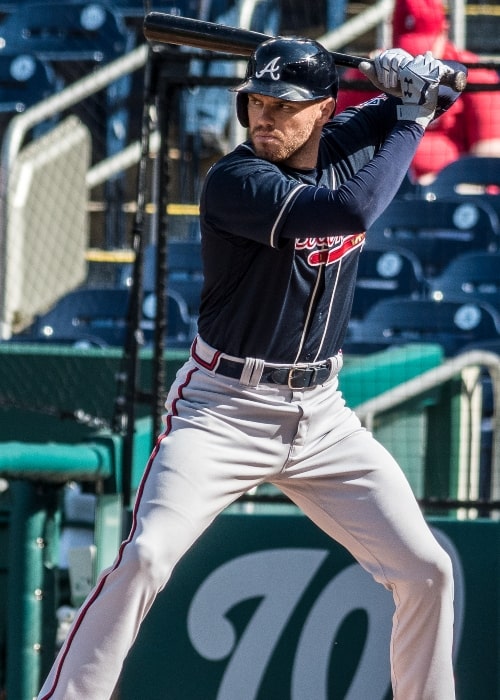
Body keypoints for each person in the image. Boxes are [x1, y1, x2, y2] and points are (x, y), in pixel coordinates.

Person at [38, 37, 461, 700]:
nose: (265, 119)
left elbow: (446, 90)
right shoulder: (237, 180)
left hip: (322, 416)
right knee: (145, 555)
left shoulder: (345, 138)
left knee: (428, 569)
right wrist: (409, 113)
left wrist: (412, 74)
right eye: (256, 103)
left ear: (324, 109)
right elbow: (352, 209)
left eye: (283, 106)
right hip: (221, 409)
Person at [336, 0, 500, 183]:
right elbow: (337, 145)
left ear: (444, 30)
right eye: (409, 52)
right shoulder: (366, 73)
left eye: (423, 54)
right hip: (379, 189)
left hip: (455, 193)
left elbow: (490, 153)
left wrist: (438, 184)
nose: (415, 63)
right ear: (392, 35)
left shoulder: (476, 74)